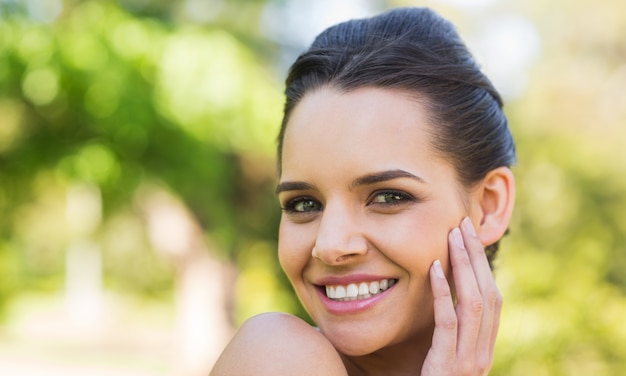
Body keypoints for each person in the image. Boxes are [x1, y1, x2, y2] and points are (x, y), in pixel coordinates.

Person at [211, 6, 516, 375]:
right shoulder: (276, 355)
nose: (331, 245)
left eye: (387, 197)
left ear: (489, 206)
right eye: (304, 203)